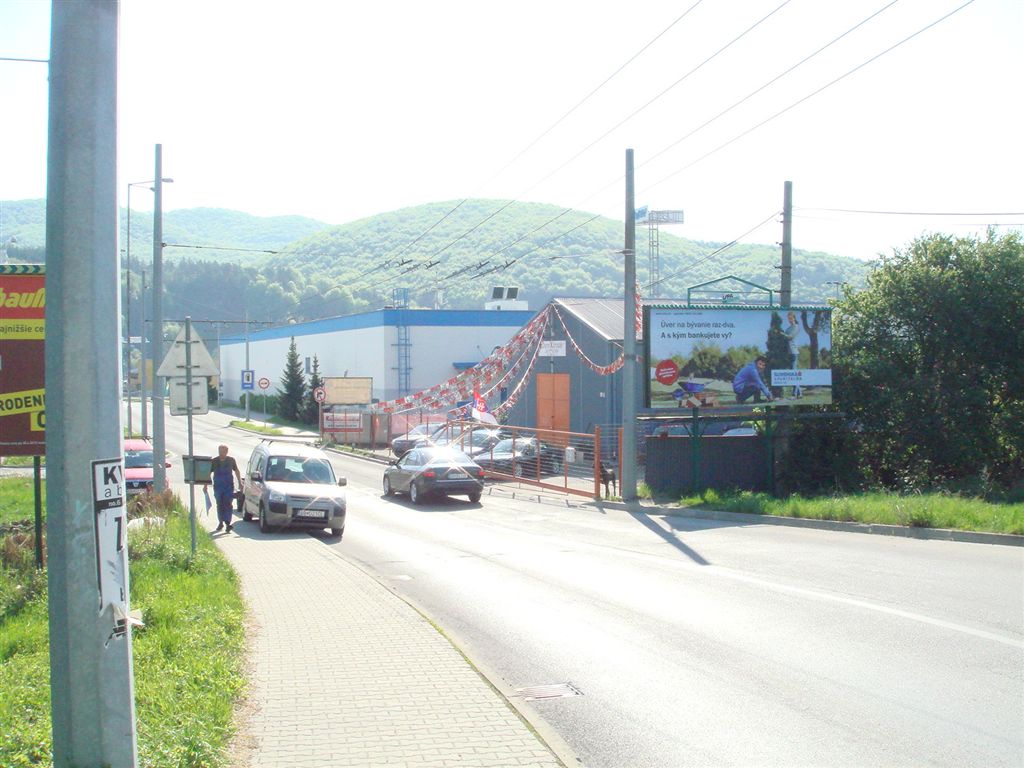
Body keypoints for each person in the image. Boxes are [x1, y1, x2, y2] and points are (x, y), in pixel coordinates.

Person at [210, 444, 243, 533]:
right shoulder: (214, 461)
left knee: (228, 504)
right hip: (218, 487)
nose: (222, 453)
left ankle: (228, 523)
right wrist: (205, 485)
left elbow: (236, 471)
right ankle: (221, 522)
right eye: (220, 451)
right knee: (220, 504)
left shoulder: (231, 460)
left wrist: (240, 483)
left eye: (223, 451)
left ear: (227, 452)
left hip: (228, 486)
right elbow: (208, 473)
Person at [783, 311, 802, 398]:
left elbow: (790, 337)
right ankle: (800, 393)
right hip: (788, 352)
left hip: (793, 352)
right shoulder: (788, 328)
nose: (790, 320)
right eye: (788, 319)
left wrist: (781, 334)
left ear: (794, 318)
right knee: (793, 373)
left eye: (791, 318)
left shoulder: (796, 327)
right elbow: (784, 335)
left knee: (794, 374)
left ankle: (794, 394)